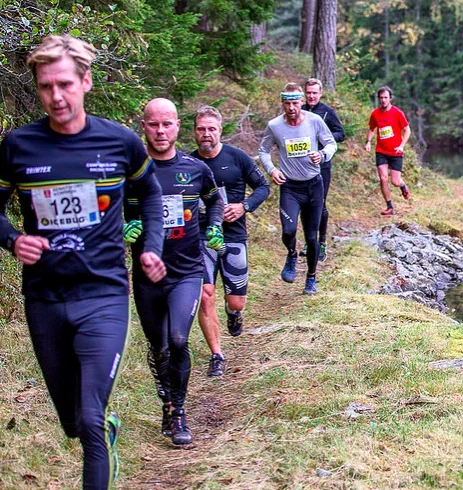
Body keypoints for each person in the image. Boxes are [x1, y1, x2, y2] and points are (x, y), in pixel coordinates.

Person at [0, 35, 166, 489]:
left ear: (86, 81)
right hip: (45, 299)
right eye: (46, 86)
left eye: (66, 84)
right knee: (74, 423)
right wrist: (13, 240)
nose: (57, 96)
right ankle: (98, 428)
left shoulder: (120, 142)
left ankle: (100, 432)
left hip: (104, 295)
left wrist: (151, 246)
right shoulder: (19, 146)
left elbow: (150, 195)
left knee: (91, 420)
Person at [124, 98, 224, 445]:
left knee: (179, 340)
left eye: (167, 124)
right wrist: (126, 227)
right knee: (159, 348)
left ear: (178, 126)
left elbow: (214, 200)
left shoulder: (195, 168)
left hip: (186, 270)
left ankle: (179, 413)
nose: (161, 131)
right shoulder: (132, 171)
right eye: (154, 124)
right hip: (147, 275)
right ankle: (166, 404)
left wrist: (215, 227)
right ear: (144, 126)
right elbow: (111, 210)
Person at [191, 106, 270, 377]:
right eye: (201, 129)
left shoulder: (237, 158)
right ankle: (217, 354)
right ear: (194, 131)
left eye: (211, 129)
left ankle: (234, 314)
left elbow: (264, 187)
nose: (206, 134)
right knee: (205, 294)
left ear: (220, 130)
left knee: (236, 301)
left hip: (233, 235)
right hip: (200, 237)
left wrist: (244, 206)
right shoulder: (188, 164)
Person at [258, 83, 337, 295]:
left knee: (312, 238)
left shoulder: (314, 121)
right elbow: (263, 151)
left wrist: (322, 155)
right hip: (290, 187)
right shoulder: (275, 125)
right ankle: (291, 253)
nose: (291, 107)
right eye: (287, 103)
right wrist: (272, 170)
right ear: (282, 103)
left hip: (314, 185)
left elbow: (331, 143)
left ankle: (311, 277)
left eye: (295, 103)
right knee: (288, 230)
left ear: (301, 102)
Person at [299, 78, 345, 261]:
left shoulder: (327, 112)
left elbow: (341, 134)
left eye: (314, 93)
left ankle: (322, 244)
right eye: (308, 93)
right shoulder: (300, 110)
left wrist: (323, 137)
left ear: (320, 94)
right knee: (305, 204)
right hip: (302, 165)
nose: (311, 96)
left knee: (320, 204)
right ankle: (309, 241)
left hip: (322, 165)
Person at [365, 86, 411, 216]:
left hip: (396, 152)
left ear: (390, 98)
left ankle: (402, 186)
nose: (383, 100)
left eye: (386, 97)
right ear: (378, 99)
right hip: (381, 151)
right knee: (383, 178)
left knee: (395, 181)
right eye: (381, 98)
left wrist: (402, 145)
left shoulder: (397, 113)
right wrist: (368, 142)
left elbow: (407, 130)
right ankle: (389, 206)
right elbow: (371, 129)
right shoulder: (375, 114)